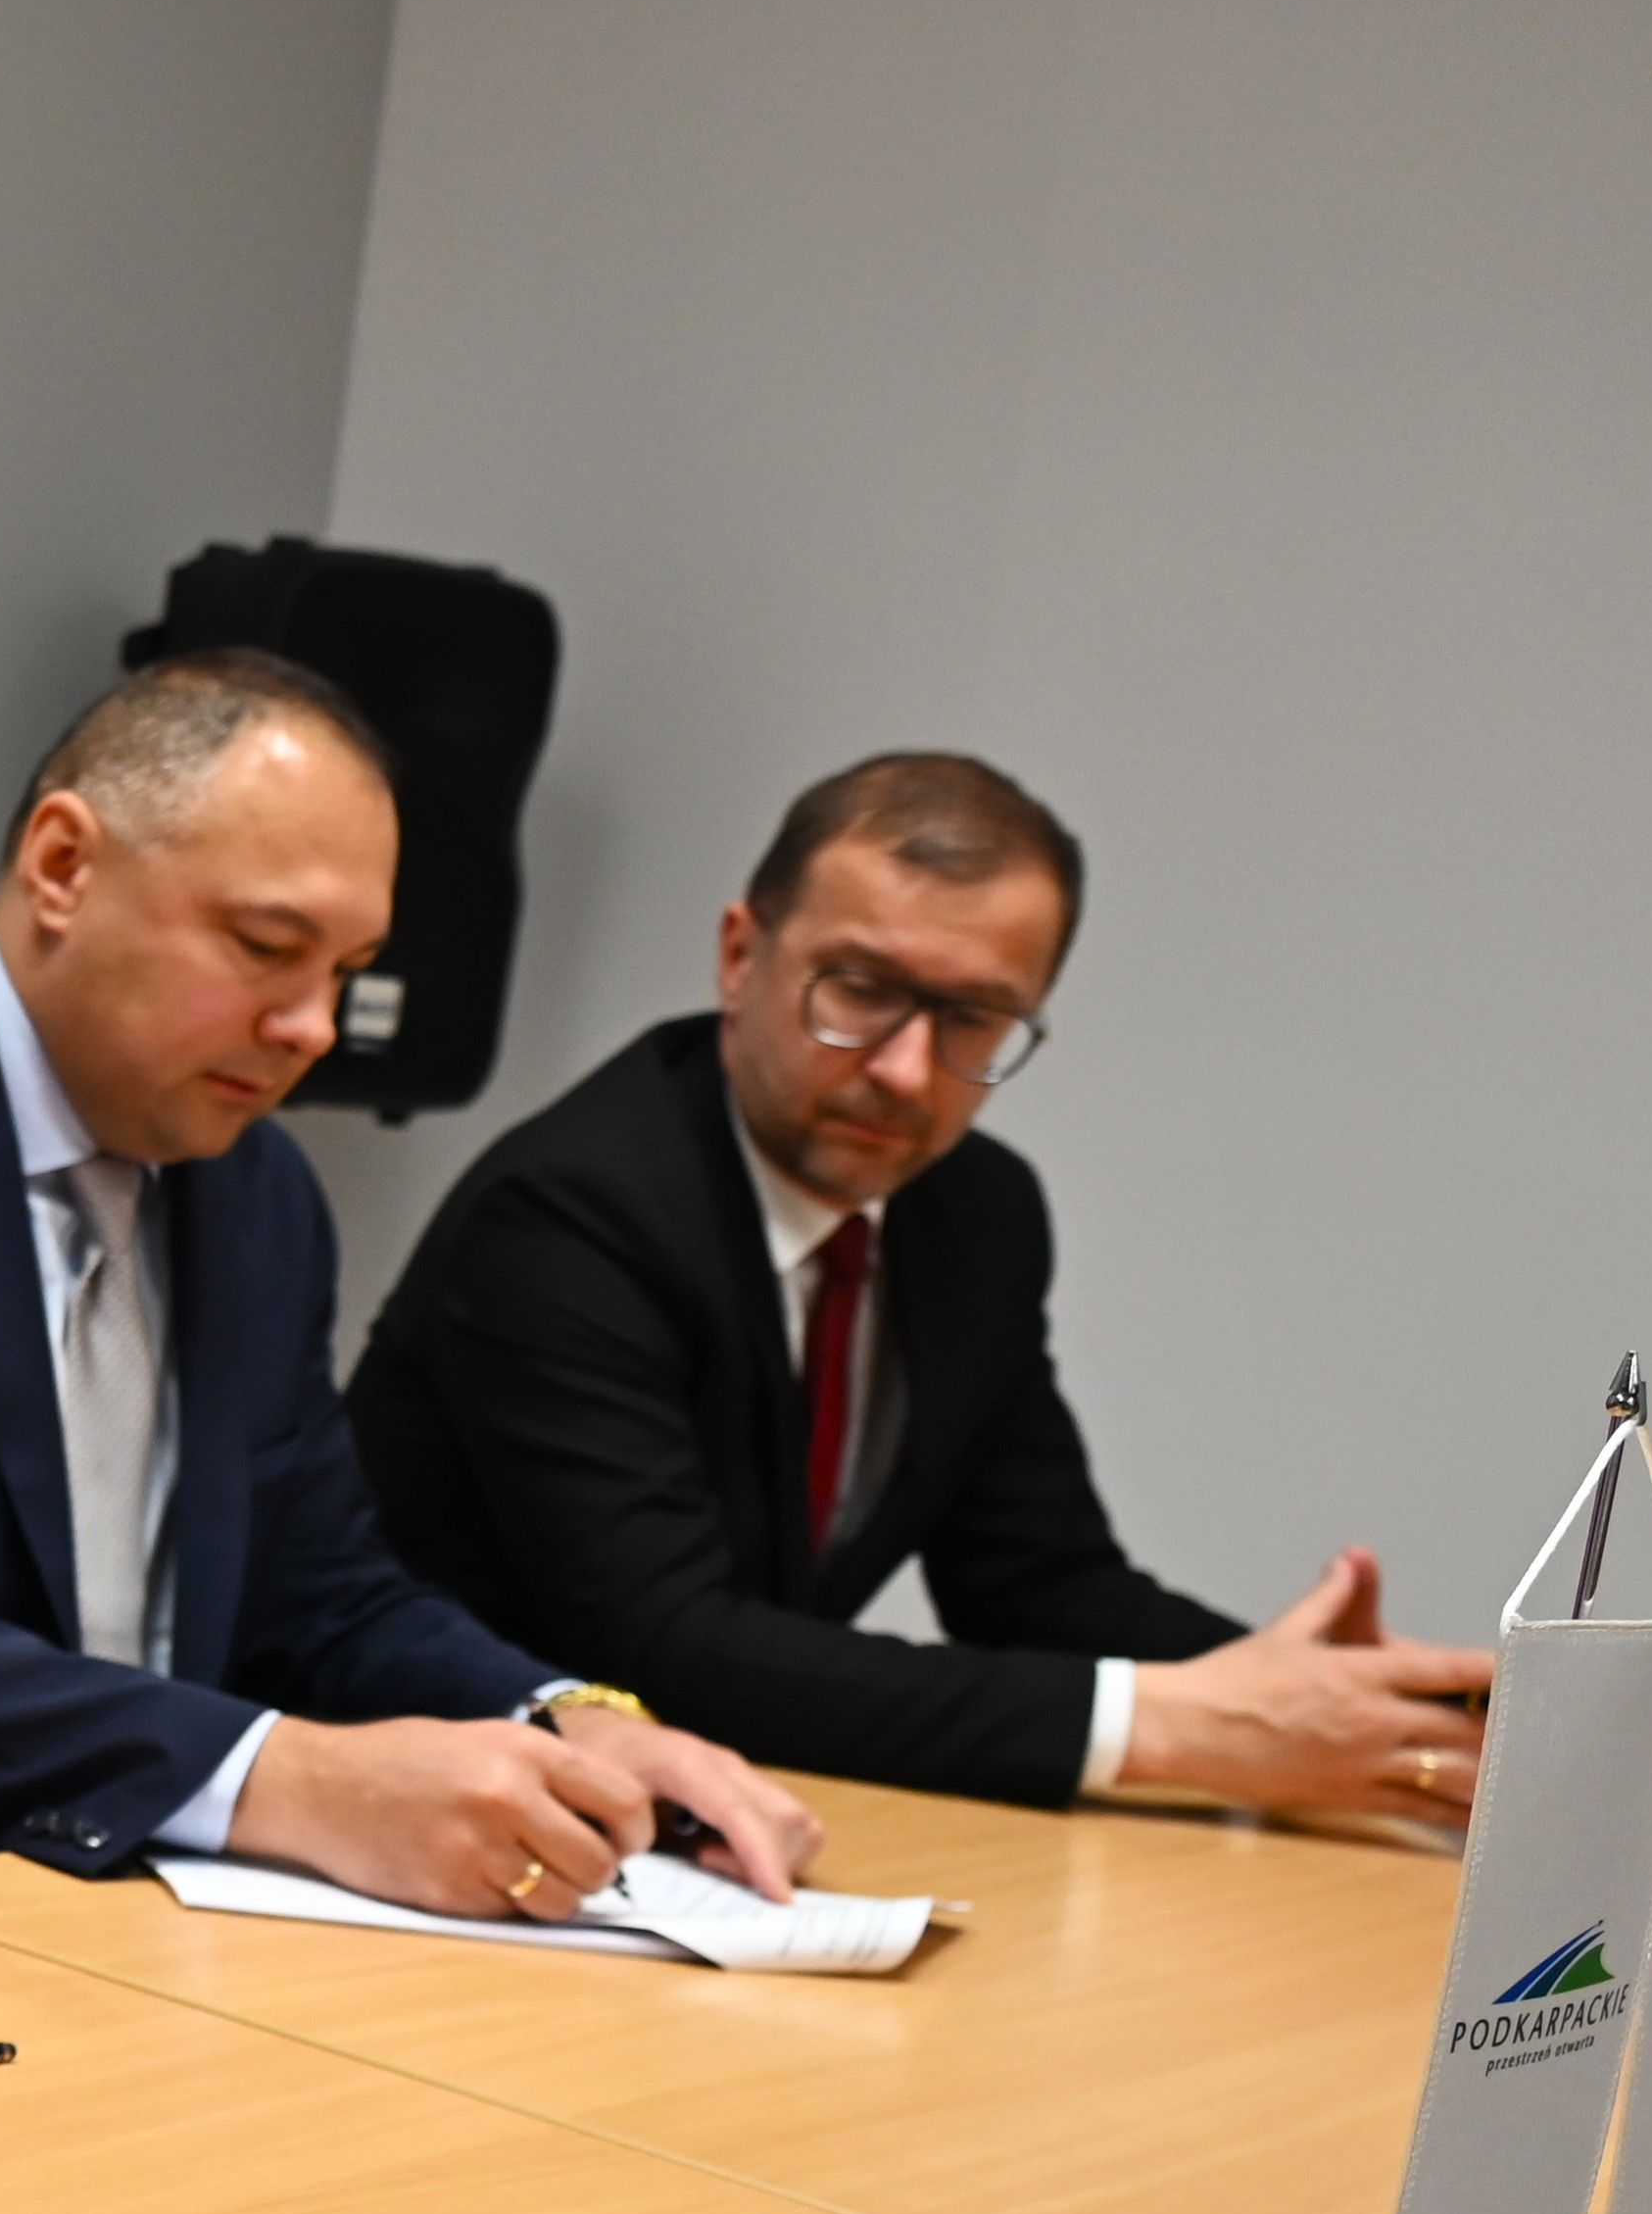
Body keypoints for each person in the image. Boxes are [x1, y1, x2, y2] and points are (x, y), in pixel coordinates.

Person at [0, 652, 818, 1920]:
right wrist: (281, 1778)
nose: (315, 1026)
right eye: (267, 946)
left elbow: (322, 1590)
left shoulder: (262, 1192)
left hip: (176, 1917)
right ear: (63, 866)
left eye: (348, 968)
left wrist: (570, 1719)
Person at [346, 751, 1492, 1816]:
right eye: (859, 989)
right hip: (434, 1807)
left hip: (709, 1822)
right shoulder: (571, 1210)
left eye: (972, 1018)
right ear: (741, 956)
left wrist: (1331, 1698)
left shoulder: (975, 1212)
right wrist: (1175, 1728)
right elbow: (666, 1647)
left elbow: (1033, 1580)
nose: (906, 1070)